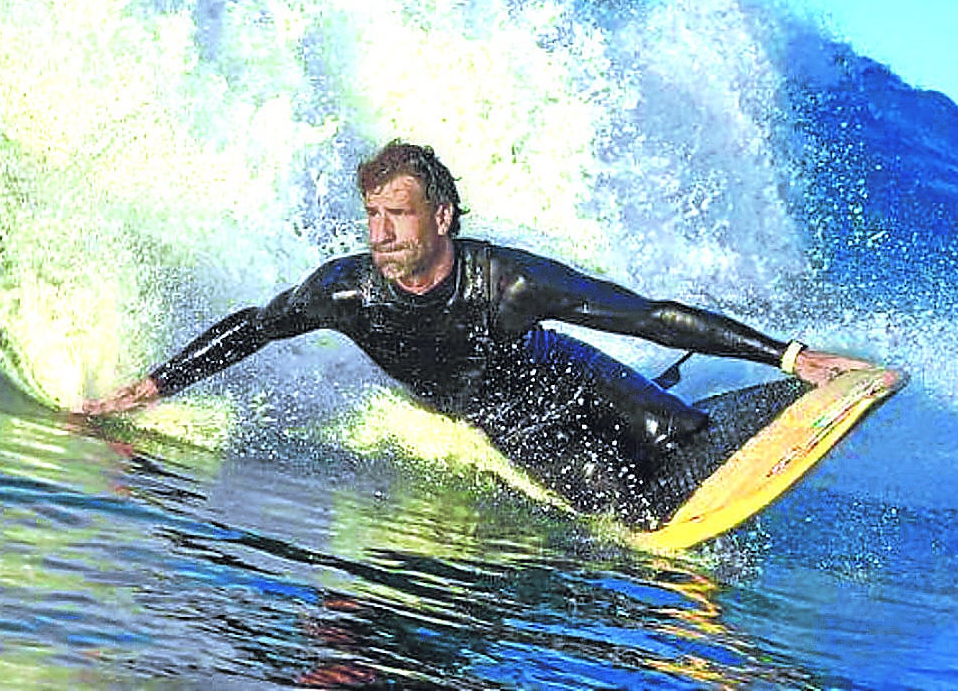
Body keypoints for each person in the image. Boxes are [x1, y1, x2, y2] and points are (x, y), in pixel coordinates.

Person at [81, 141, 875, 520]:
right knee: (621, 503)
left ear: (444, 218)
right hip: (509, 422)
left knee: (682, 430)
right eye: (372, 215)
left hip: (568, 373)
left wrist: (788, 351)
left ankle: (767, 394)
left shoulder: (510, 282)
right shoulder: (346, 291)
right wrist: (152, 387)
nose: (382, 232)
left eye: (399, 214)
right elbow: (254, 328)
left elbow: (644, 313)